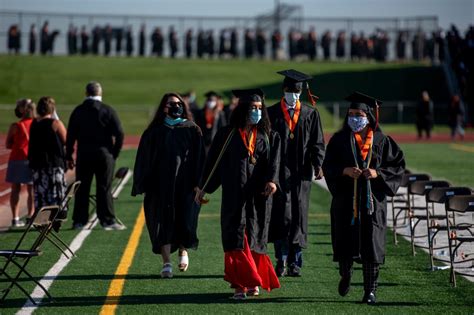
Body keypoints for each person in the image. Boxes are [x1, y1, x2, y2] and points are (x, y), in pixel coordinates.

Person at [195, 88, 281, 299]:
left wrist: (273, 181)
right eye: (253, 108)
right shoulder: (227, 134)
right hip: (234, 196)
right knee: (236, 238)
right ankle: (239, 285)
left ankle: (253, 282)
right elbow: (213, 163)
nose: (257, 112)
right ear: (243, 109)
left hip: (259, 197)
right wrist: (203, 187)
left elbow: (275, 164)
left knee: (255, 237)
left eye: (260, 108)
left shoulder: (269, 136)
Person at [322, 91, 405, 305]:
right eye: (350, 114)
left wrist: (378, 174)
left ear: (368, 115)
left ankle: (370, 291)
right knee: (345, 241)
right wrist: (344, 171)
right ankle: (346, 274)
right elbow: (328, 166)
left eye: (358, 114)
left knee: (372, 244)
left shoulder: (381, 140)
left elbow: (397, 167)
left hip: (372, 202)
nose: (354, 118)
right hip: (345, 200)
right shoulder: (340, 139)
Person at [132, 93, 205, 278]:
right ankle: (166, 262)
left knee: (185, 219)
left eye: (179, 103)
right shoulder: (154, 131)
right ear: (163, 107)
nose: (176, 106)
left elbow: (200, 159)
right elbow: (143, 158)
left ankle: (183, 249)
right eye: (171, 104)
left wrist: (200, 183)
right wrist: (142, 182)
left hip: (185, 184)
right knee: (161, 221)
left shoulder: (192, 129)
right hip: (160, 185)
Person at [267, 69, 325, 277]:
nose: (295, 95)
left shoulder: (310, 114)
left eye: (298, 91)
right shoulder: (272, 113)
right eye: (291, 90)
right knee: (281, 216)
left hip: (301, 173)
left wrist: (318, 164)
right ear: (284, 90)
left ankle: (295, 261)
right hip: (278, 172)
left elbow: (318, 143)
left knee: (299, 217)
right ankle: (280, 260)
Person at [66, 81, 125, 230]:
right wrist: (114, 153)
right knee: (104, 187)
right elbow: (120, 133)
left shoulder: (78, 111)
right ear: (100, 93)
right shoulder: (108, 110)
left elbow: (70, 136)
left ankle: (79, 220)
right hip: (104, 155)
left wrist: (68, 156)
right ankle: (107, 220)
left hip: (84, 154)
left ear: (86, 93)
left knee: (82, 188)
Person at [28, 97, 68, 223]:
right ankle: (57, 217)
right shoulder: (55, 124)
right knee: (56, 191)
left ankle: (42, 218)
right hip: (54, 164)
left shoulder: (34, 124)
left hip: (38, 164)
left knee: (41, 192)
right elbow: (67, 140)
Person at [5, 99, 35, 227]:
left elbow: (8, 144)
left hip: (17, 159)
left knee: (15, 189)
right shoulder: (37, 124)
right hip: (32, 159)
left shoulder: (16, 126)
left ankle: (15, 218)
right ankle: (30, 216)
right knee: (32, 189)